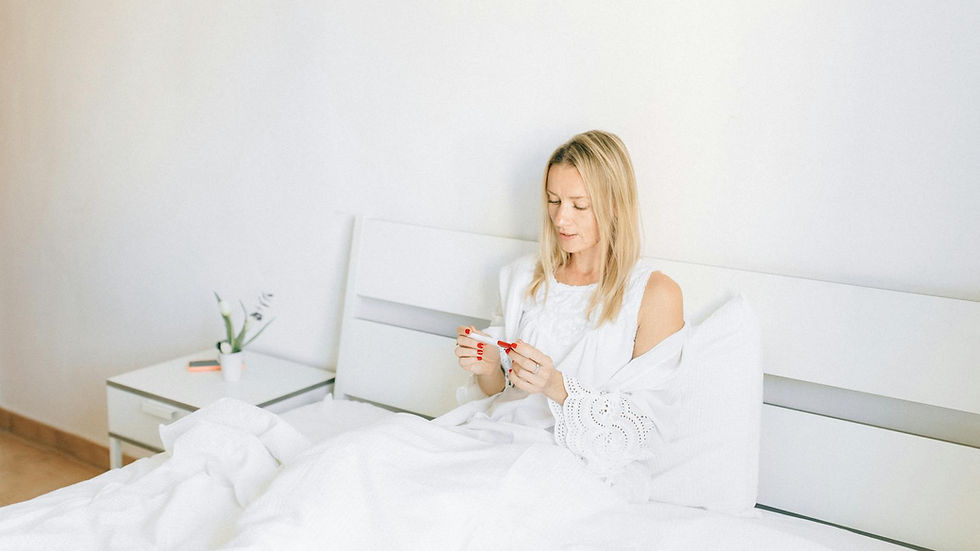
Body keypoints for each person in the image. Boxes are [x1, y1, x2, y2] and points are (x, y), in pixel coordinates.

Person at [447, 129, 687, 499]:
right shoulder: (522, 278)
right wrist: (488, 367)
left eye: (579, 205)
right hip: (495, 439)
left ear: (615, 205)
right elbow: (499, 394)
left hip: (572, 466)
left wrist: (555, 386)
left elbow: (644, 429)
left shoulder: (654, 294)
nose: (561, 219)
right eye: (553, 201)